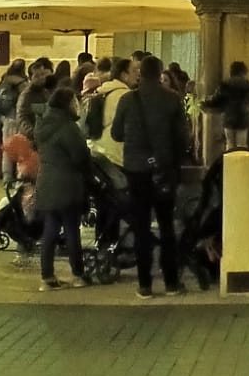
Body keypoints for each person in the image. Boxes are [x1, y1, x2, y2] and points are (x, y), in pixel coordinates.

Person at [111, 55, 190, 299]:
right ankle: (171, 282)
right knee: (167, 226)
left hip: (136, 171)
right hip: (164, 171)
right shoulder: (172, 99)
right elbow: (182, 139)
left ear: (140, 74)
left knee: (141, 226)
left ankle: (144, 284)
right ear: (159, 73)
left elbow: (116, 134)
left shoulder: (127, 99)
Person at [33, 84, 92, 290]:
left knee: (50, 230)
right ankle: (78, 275)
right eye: (75, 102)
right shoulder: (68, 127)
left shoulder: (42, 125)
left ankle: (47, 278)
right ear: (67, 104)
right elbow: (80, 156)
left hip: (47, 182)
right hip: (67, 184)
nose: (77, 105)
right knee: (71, 231)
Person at [86, 55, 137, 170]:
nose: (137, 74)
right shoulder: (126, 96)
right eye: (133, 71)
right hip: (116, 154)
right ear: (124, 75)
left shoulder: (101, 91)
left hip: (97, 150)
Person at [0, 60, 27, 180]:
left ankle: (6, 175)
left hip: (6, 117)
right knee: (21, 148)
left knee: (7, 149)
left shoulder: (4, 81)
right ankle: (20, 174)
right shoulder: (22, 82)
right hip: (18, 117)